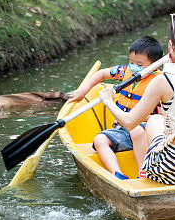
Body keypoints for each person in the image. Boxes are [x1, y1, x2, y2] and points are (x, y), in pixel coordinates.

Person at [99, 14, 175, 184]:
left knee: (155, 120)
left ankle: (144, 171)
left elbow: (129, 122)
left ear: (171, 45)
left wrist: (107, 100)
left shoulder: (163, 81)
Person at [67, 36, 163, 180]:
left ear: (155, 65)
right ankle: (117, 174)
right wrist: (83, 91)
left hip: (144, 131)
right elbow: (102, 74)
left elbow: (162, 117)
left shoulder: (159, 81)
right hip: (121, 129)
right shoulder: (125, 72)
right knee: (99, 140)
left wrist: (143, 119)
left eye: (139, 64)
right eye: (131, 62)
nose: (133, 66)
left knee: (136, 131)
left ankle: (143, 173)